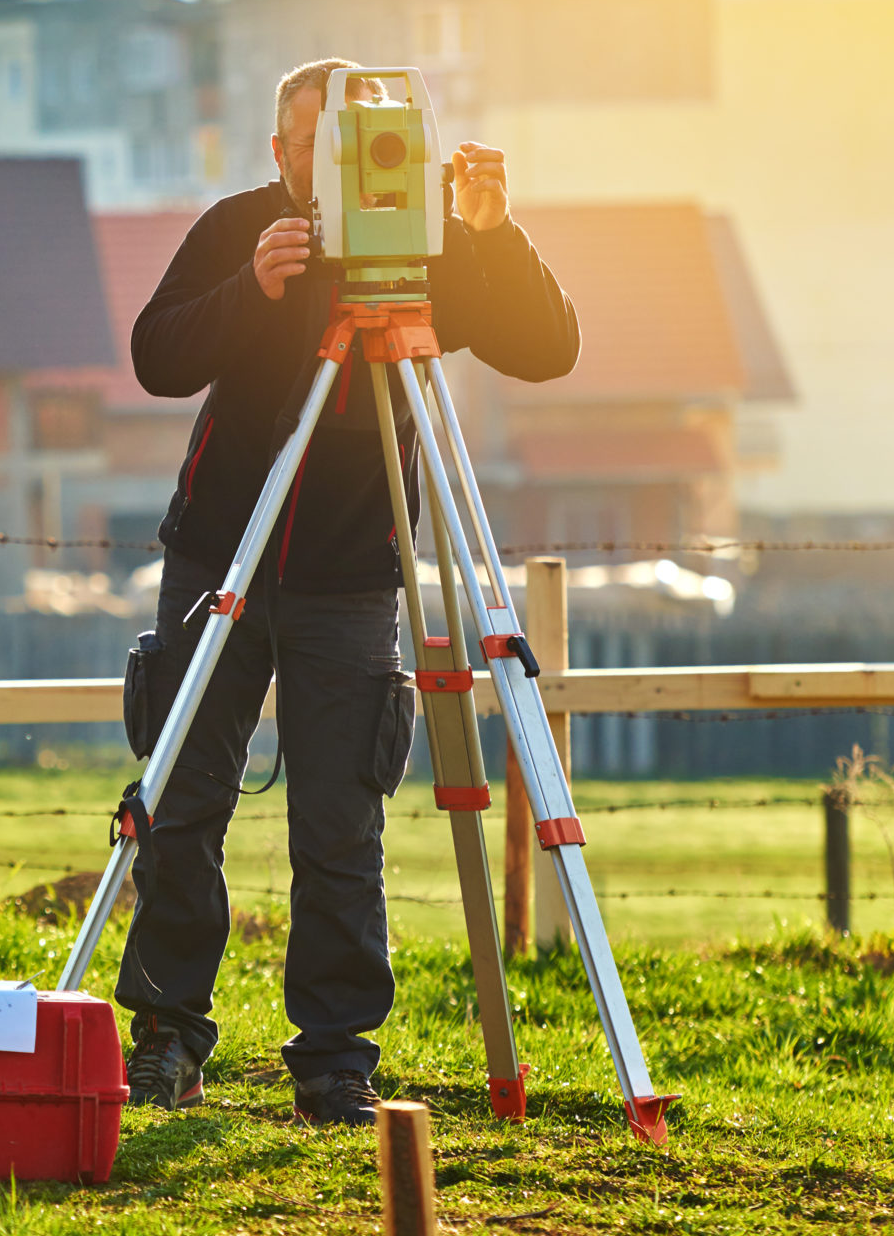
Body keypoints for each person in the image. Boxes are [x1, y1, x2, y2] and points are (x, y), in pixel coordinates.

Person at [118, 56, 579, 1128]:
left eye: (357, 141)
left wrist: (491, 231)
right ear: (281, 154)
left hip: (350, 571)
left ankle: (333, 1060)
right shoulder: (242, 226)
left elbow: (548, 348)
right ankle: (165, 1038)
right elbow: (154, 357)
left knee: (339, 826)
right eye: (310, 145)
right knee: (181, 805)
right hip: (216, 559)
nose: (333, 165)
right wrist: (253, 288)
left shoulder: (423, 238)